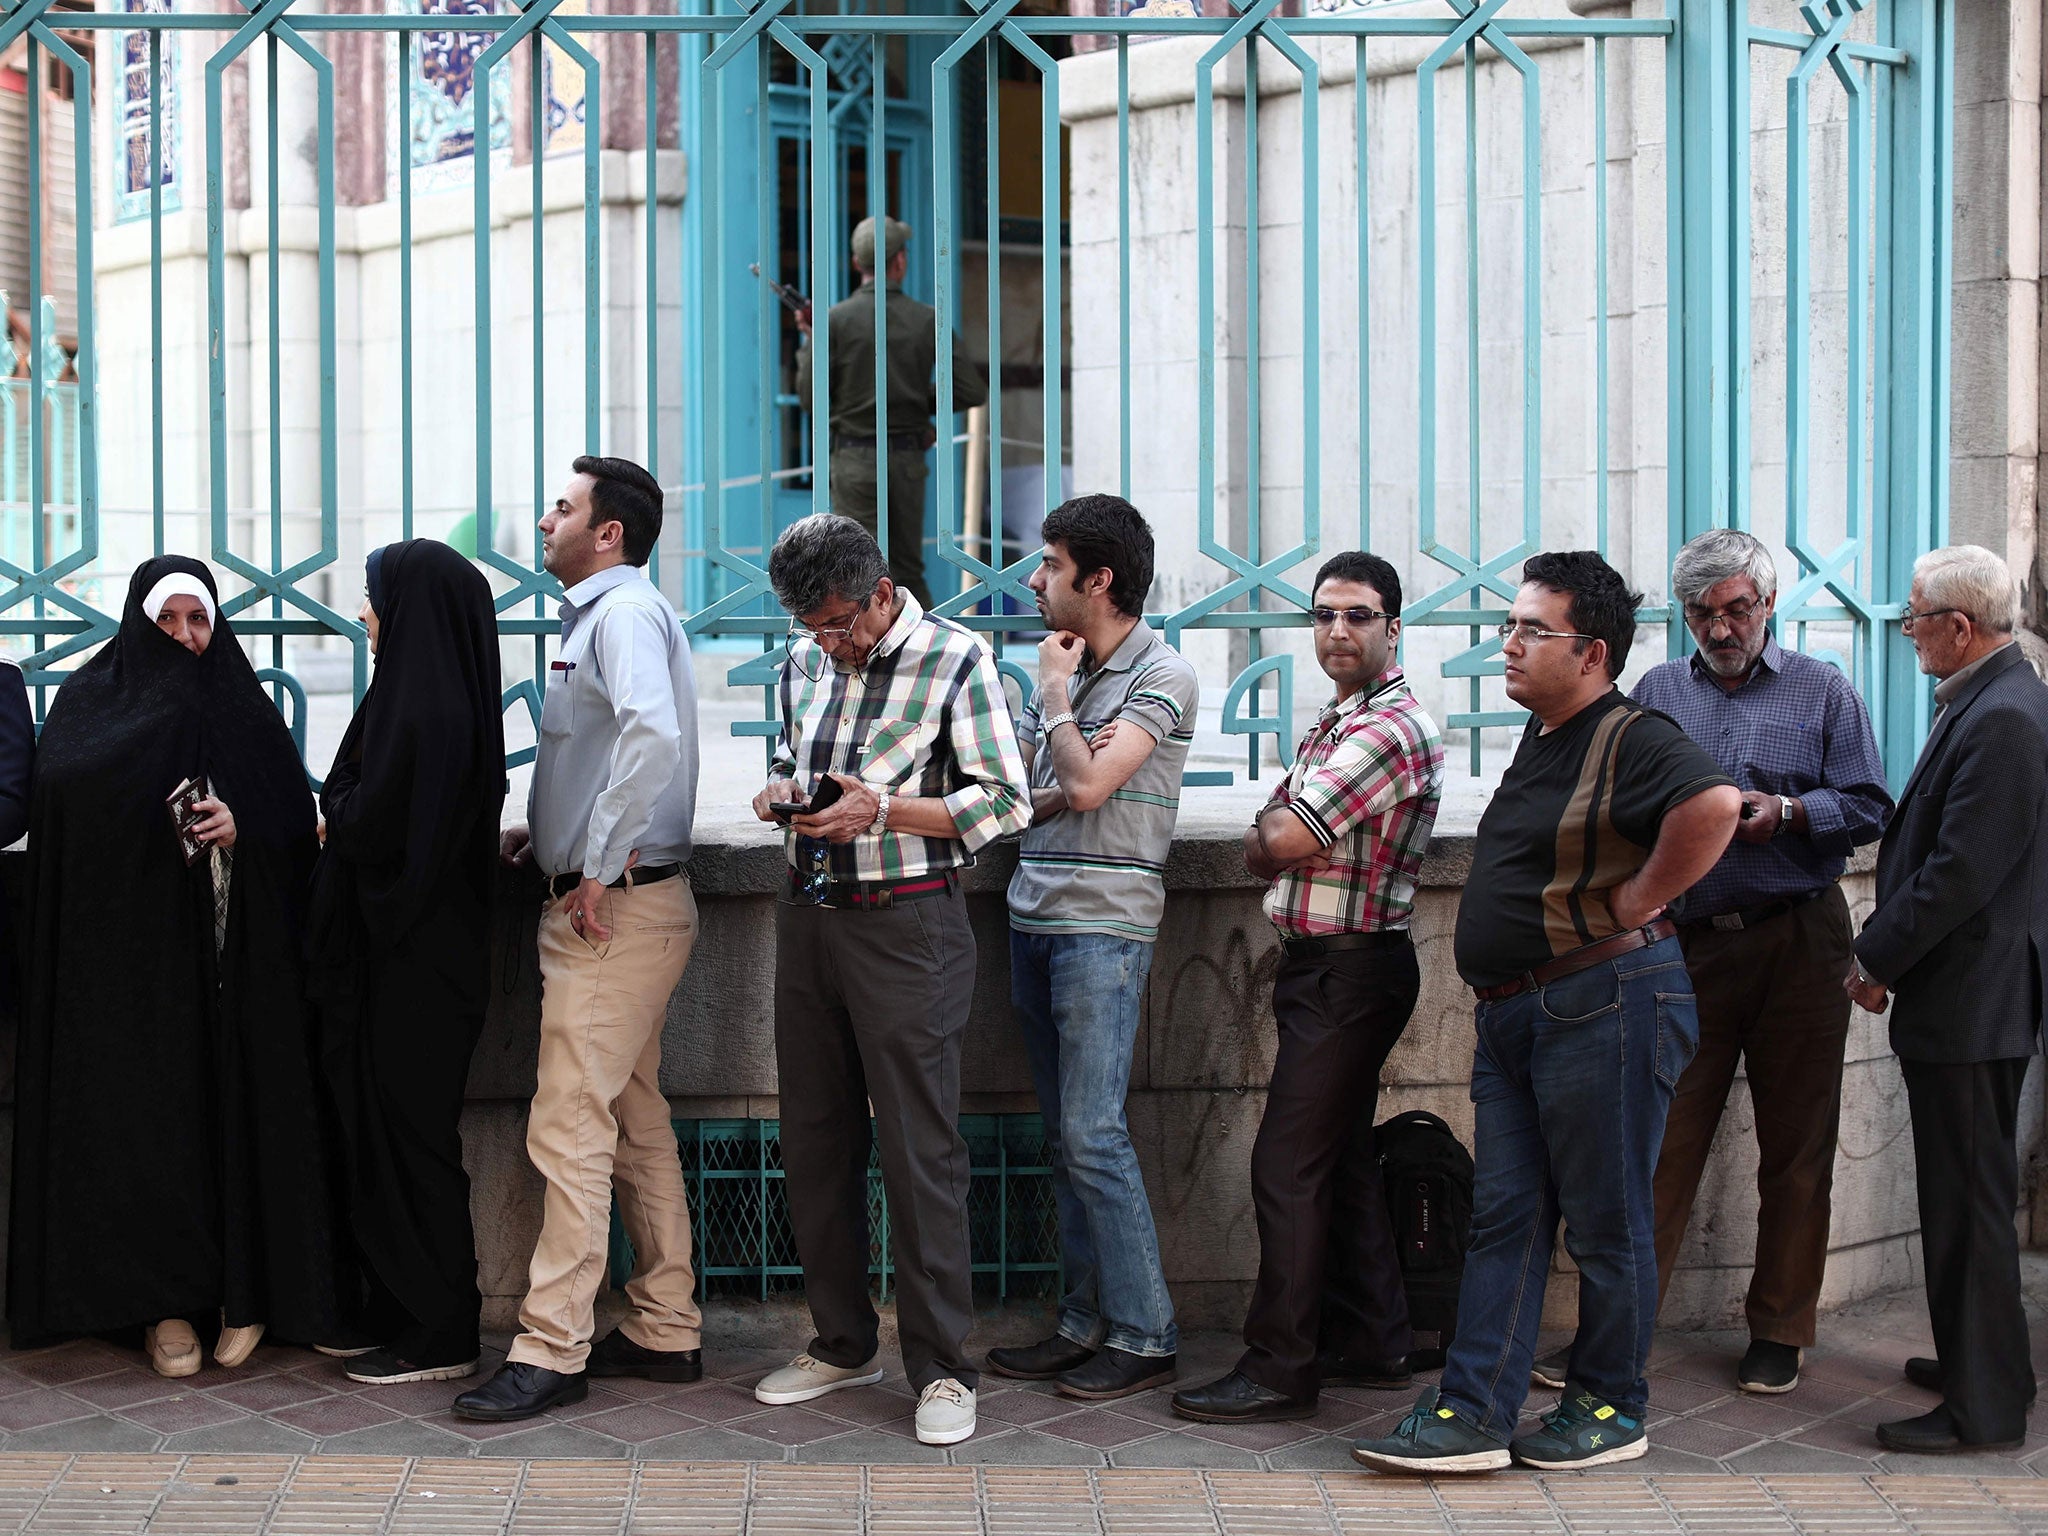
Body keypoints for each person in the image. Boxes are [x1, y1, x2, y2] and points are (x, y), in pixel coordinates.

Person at [1353, 551, 1740, 1475]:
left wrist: (1642, 897)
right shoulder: (1546, 732)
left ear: (1593, 652)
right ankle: (1475, 1411)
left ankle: (1610, 1407)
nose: (1510, 645)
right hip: (1523, 1012)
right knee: (1506, 1217)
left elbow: (1716, 805)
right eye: (1510, 625)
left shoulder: (1631, 734)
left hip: (1606, 1000)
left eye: (1534, 629)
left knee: (1607, 1222)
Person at [1531, 531, 1892, 1397]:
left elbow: (1871, 803)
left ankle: (1779, 1329)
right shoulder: (1656, 691)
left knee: (1797, 1143)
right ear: (1681, 614)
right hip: (1684, 943)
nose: (1721, 627)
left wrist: (1793, 813)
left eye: (1737, 608)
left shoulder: (1823, 689)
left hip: (1799, 935)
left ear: (1768, 604)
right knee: (1655, 1142)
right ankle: (1618, 1334)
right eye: (1703, 612)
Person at [10, 557, 350, 1377]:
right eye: (168, 622)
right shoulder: (92, 704)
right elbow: (63, 812)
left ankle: (249, 1297)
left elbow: (292, 823)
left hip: (240, 972)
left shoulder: (242, 708)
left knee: (240, 1122)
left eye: (199, 621)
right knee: (151, 1134)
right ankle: (166, 1308)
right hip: (133, 982)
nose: (186, 638)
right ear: (137, 622)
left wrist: (245, 827)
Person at [748, 513, 1030, 1447]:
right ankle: (840, 1342)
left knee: (920, 1150)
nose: (827, 645)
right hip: (808, 912)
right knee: (815, 1139)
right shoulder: (803, 662)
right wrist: (781, 791)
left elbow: (1004, 802)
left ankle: (946, 1369)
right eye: (810, 629)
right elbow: (792, 759)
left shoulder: (956, 659)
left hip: (911, 925)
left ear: (879, 591)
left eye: (838, 624)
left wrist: (885, 809)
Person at [456, 455, 705, 1423]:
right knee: (633, 1121)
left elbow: (651, 735)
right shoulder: (609, 617)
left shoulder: (623, 615)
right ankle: (664, 1324)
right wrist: (554, 836)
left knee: (565, 1127)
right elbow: (606, 746)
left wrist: (594, 861)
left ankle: (552, 1346)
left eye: (561, 508)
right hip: (616, 900)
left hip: (614, 911)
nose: (546, 520)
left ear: (608, 533)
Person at [1173, 551, 1445, 1424]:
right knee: (1338, 1160)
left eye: (1358, 615)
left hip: (1351, 970)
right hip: (1330, 969)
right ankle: (1375, 1339)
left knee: (1286, 1166)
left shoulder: (1386, 728)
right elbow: (1283, 828)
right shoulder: (1341, 718)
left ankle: (1281, 1366)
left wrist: (1271, 833)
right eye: (1324, 614)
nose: (1337, 630)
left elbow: (1284, 837)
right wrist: (1276, 829)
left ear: (1393, 627)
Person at [987, 495, 1197, 1402]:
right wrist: (1069, 748)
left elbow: (1082, 786)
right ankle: (1083, 1322)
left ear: (1097, 580)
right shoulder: (1072, 674)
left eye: (1048, 566)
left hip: (1102, 929)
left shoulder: (1164, 674)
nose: (1033, 581)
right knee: (1065, 1138)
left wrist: (1056, 704)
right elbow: (1037, 790)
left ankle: (1146, 1334)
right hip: (1032, 912)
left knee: (1095, 1133)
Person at [1846, 545, 2048, 1454]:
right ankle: (1983, 1360)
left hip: (1974, 999)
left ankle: (1985, 1407)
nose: (1909, 633)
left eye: (1916, 618)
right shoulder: (1993, 695)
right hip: (1968, 994)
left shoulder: (2005, 715)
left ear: (1958, 628)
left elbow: (1960, 872)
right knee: (1964, 1197)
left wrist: (1873, 957)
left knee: (1967, 1203)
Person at [309, 539, 505, 1387]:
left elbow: (371, 824)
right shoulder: (435, 701)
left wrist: (336, 808)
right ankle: (401, 1304)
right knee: (390, 1135)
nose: (364, 615)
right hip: (417, 957)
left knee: (414, 1140)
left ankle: (442, 1329)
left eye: (374, 599)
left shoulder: (425, 715)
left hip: (414, 965)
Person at [793, 215, 990, 609]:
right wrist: (917, 401)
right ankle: (931, 652)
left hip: (854, 458)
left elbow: (810, 397)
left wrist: (810, 341)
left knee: (856, 569)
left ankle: (864, 653)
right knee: (907, 568)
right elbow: (969, 389)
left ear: (855, 263)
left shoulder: (835, 321)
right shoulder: (926, 319)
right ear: (900, 261)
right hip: (906, 459)